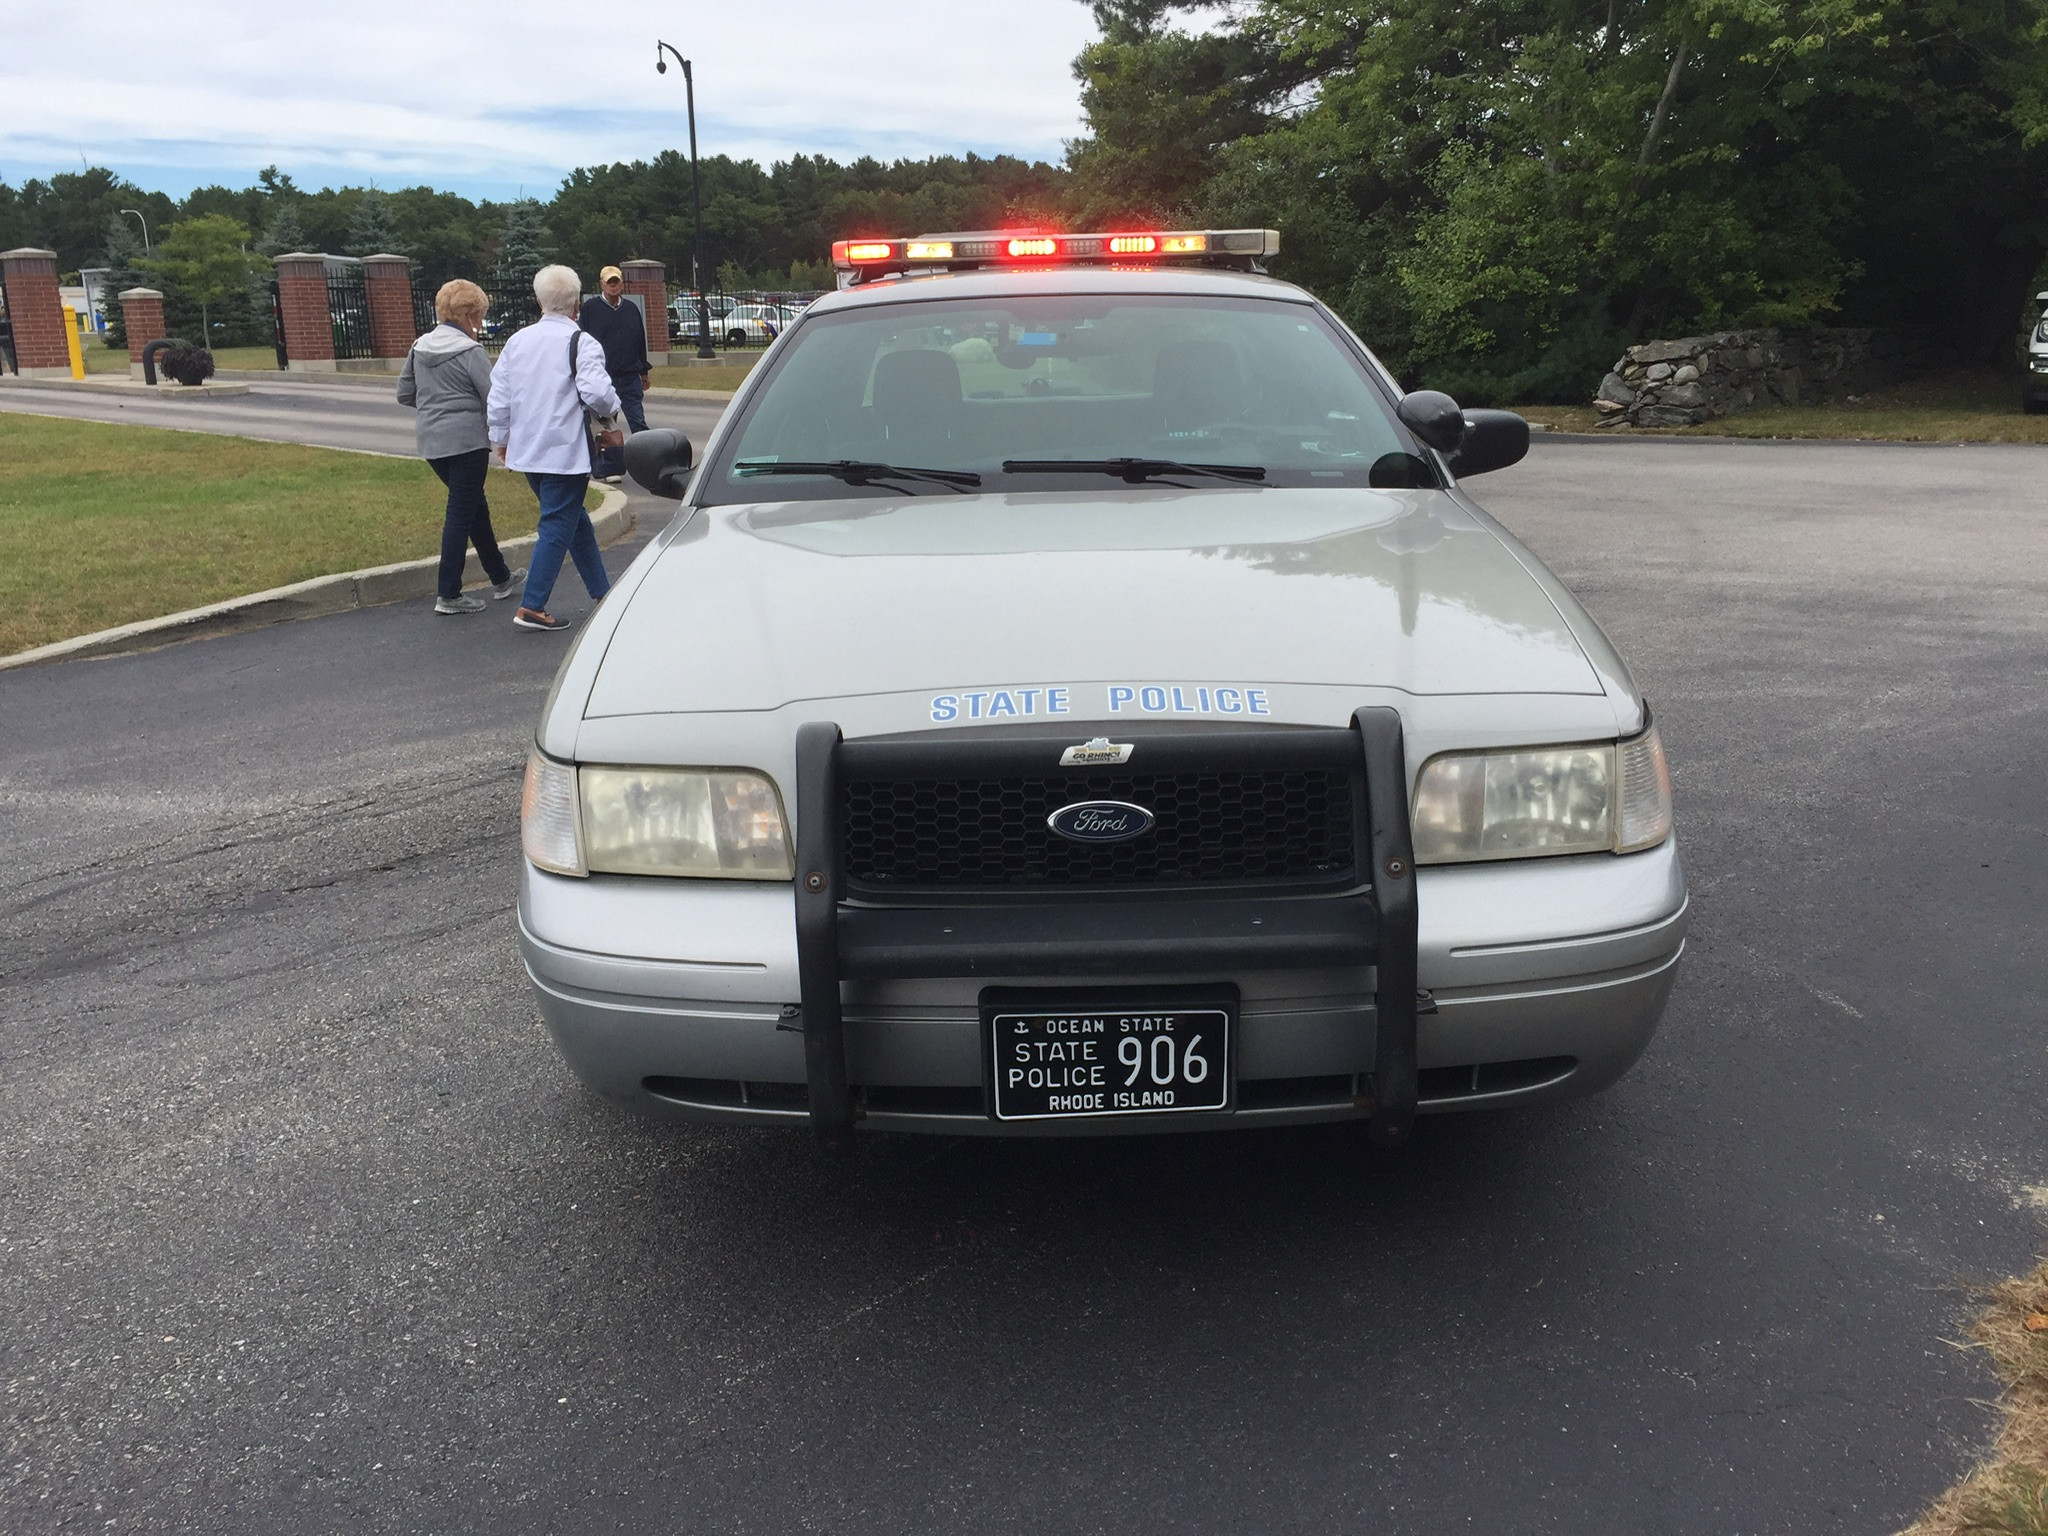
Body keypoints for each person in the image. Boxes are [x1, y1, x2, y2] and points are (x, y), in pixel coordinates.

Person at [487, 264, 621, 633]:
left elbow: (498, 398)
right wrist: (611, 413)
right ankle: (532, 605)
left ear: (539, 300)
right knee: (558, 523)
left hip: (528, 448)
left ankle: (601, 592)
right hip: (565, 449)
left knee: (572, 520)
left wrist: (500, 439)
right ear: (577, 303)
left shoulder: (517, 342)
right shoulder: (582, 342)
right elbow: (596, 393)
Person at [396, 278, 524, 616]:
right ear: (468, 316)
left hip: (431, 442)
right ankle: (448, 593)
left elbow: (404, 394)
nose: (480, 322)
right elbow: (493, 397)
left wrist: (434, 407)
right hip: (466, 441)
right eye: (479, 315)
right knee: (460, 512)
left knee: (472, 506)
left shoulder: (419, 346)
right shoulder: (471, 352)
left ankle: (500, 576)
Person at [577, 264, 651, 481]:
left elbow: (639, 340)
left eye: (616, 281)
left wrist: (644, 370)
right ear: (601, 284)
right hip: (604, 377)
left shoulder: (630, 309)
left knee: (638, 421)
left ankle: (648, 463)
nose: (613, 286)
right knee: (608, 423)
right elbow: (582, 341)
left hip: (629, 375)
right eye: (609, 282)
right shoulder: (590, 309)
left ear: (621, 284)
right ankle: (611, 467)